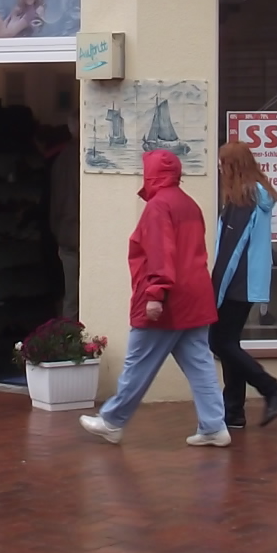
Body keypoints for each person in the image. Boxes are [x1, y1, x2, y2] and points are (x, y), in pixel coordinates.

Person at [78, 150, 229, 448]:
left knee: (139, 363)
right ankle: (214, 425)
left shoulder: (158, 206)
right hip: (195, 297)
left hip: (167, 299)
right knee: (200, 364)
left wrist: (155, 294)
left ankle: (112, 421)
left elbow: (161, 253)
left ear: (152, 174)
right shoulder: (189, 204)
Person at [208, 143, 277, 428]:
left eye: (223, 164)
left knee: (219, 341)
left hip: (236, 282)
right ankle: (234, 411)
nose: (220, 169)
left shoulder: (243, 197)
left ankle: (273, 390)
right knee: (229, 342)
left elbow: (231, 250)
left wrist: (215, 289)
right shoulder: (256, 192)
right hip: (247, 281)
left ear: (233, 166)